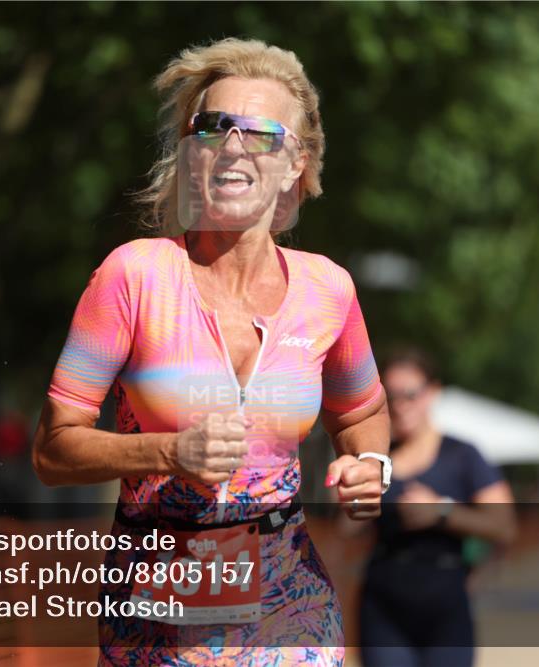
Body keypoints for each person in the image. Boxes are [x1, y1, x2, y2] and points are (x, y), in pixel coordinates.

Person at [33, 38, 391, 666]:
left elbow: (361, 414)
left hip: (291, 604)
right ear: (191, 153)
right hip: (155, 609)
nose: (231, 146)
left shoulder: (328, 290)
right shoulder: (133, 277)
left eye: (259, 134)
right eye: (213, 127)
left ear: (295, 165)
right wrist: (168, 452)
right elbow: (52, 450)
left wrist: (371, 467)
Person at [358, 348, 516, 667]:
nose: (401, 406)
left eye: (410, 395)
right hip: (384, 605)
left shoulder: (463, 455)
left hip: (447, 604)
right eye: (391, 397)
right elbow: (344, 528)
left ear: (433, 392)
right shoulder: (374, 458)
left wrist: (442, 512)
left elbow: (505, 525)